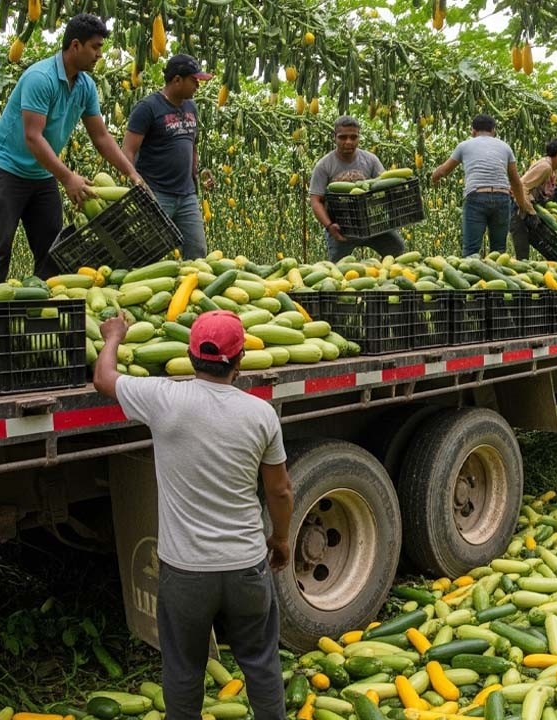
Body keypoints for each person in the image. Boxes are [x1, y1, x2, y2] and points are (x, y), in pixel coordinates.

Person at [92, 309, 293, 720]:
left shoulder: (163, 398)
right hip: (245, 568)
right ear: (239, 362)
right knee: (260, 662)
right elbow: (280, 489)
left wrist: (114, 335)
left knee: (183, 672)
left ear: (189, 353)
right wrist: (281, 539)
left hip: (184, 573)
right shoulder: (260, 414)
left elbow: (103, 379)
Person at [0, 13, 144, 287]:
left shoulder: (86, 86)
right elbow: (33, 137)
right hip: (7, 170)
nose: (99, 54)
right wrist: (68, 178)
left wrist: (132, 174)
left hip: (41, 176)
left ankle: (39, 313)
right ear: (75, 45)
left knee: (53, 254)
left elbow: (101, 137)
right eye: (95, 47)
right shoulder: (40, 78)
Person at [122, 54, 215, 260]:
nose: (197, 87)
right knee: (147, 254)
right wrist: (136, 186)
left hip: (187, 195)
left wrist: (199, 172)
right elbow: (128, 150)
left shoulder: (192, 107)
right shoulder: (147, 108)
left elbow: (192, 146)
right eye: (194, 80)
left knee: (197, 251)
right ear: (177, 80)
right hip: (156, 194)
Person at [430, 114, 533, 257]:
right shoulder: (505, 147)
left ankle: (471, 278)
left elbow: (443, 171)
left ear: (473, 131)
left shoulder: (464, 146)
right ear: (493, 130)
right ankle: (498, 277)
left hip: (476, 196)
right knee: (498, 250)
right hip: (501, 197)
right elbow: (515, 181)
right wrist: (522, 205)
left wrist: (432, 178)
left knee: (471, 250)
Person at [309, 116, 406, 262]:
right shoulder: (324, 165)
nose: (348, 142)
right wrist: (329, 226)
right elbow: (316, 200)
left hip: (373, 223)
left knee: (397, 250)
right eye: (343, 137)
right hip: (341, 227)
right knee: (338, 268)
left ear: (359, 138)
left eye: (353, 137)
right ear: (334, 137)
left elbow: (384, 184)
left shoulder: (371, 160)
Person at [511, 137, 557, 260]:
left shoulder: (552, 170)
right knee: (522, 253)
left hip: (530, 212)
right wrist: (530, 211)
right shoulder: (545, 167)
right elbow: (521, 186)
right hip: (519, 211)